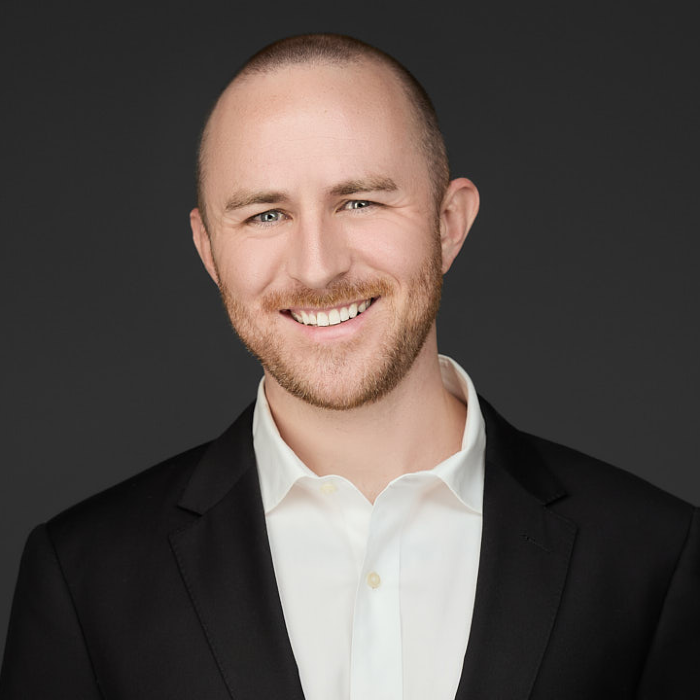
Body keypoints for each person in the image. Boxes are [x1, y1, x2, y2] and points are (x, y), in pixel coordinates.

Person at [1, 33, 698, 700]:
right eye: (265, 215)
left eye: (359, 202)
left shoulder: (654, 559)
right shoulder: (82, 579)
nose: (317, 267)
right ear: (209, 250)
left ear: (449, 224)